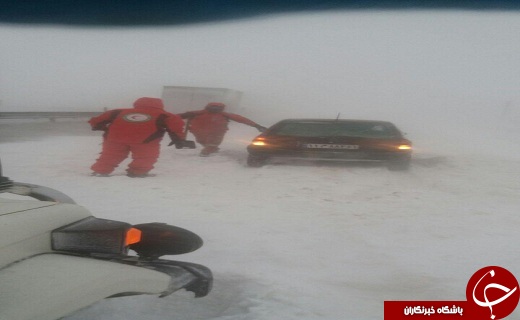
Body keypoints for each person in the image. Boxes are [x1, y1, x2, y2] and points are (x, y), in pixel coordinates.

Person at [89, 97, 187, 177]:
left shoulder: (118, 111)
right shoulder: (164, 115)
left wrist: (100, 127)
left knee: (110, 155)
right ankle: (138, 172)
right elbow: (176, 126)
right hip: (146, 140)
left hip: (115, 138)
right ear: (160, 105)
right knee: (145, 157)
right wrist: (178, 139)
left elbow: (97, 121)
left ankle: (100, 171)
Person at [179, 102, 267, 156]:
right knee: (202, 141)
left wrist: (256, 125)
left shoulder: (225, 115)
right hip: (199, 132)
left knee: (212, 143)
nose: (215, 109)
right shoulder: (197, 113)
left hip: (217, 133)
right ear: (208, 107)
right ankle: (211, 149)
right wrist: (167, 119)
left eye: (217, 108)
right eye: (213, 107)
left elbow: (241, 119)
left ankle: (206, 152)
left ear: (221, 109)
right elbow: (178, 116)